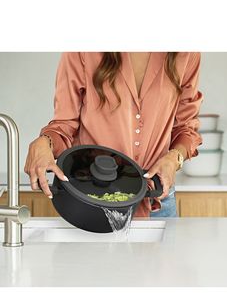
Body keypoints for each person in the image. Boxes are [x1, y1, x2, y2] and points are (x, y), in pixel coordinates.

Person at [24, 52, 203, 218]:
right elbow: (64, 124)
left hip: (157, 201)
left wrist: (174, 159)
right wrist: (44, 142)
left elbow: (186, 127)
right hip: (93, 202)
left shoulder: (185, 53)